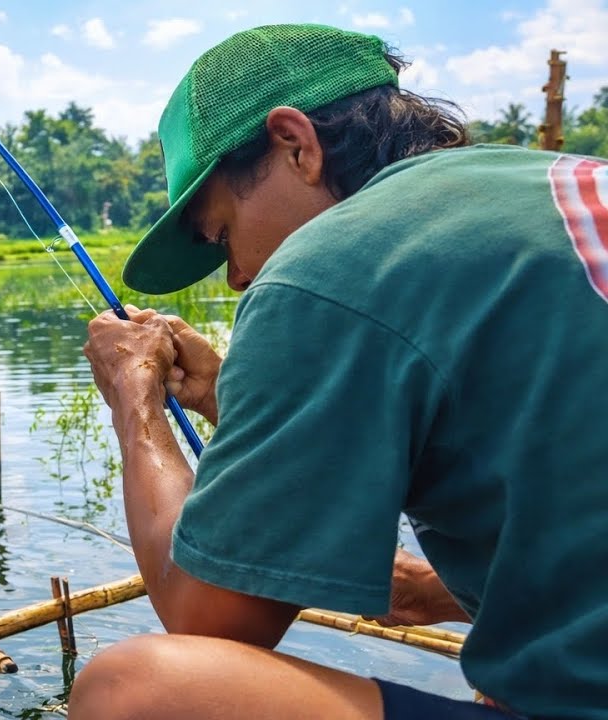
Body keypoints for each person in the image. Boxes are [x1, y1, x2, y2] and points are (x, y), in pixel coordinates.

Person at [73, 23, 608, 720]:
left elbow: (208, 620)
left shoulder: (325, 266)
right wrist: (226, 398)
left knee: (137, 691)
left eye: (223, 232)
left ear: (296, 144)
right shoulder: (562, 182)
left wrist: (134, 402)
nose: (236, 277)